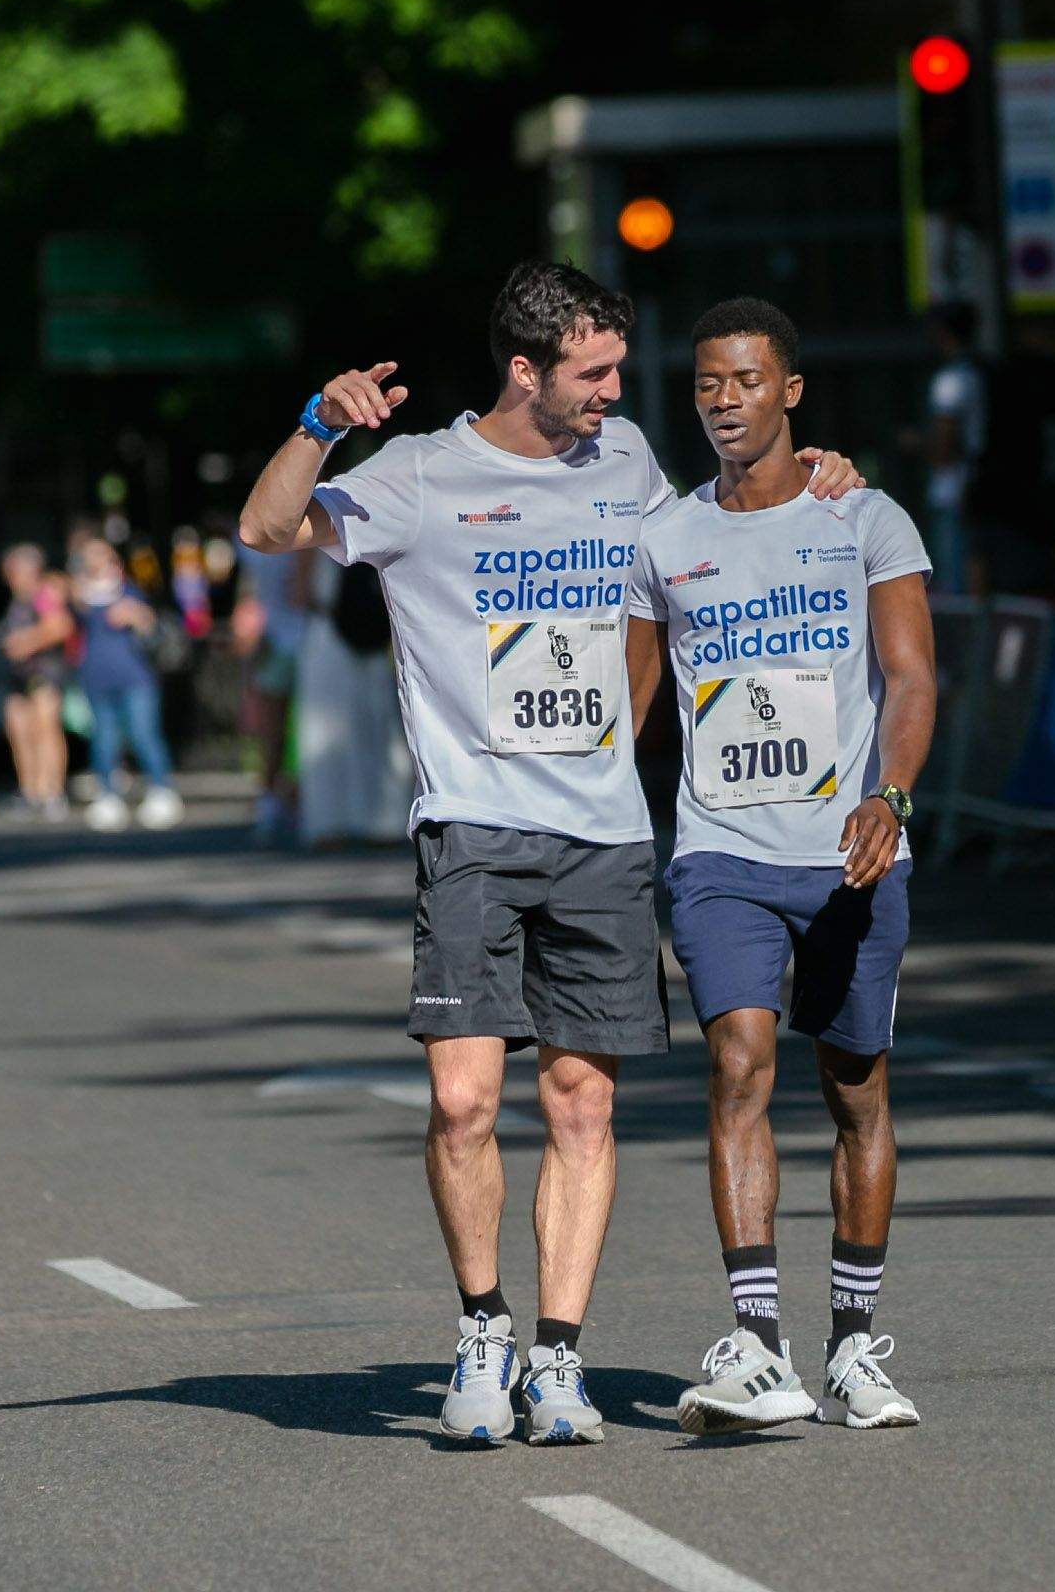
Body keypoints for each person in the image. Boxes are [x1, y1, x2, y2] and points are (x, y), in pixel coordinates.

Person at [236, 260, 863, 1447]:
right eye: (595, 370)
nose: (619, 389)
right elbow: (267, 527)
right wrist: (320, 423)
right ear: (525, 370)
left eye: (619, 367)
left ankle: (559, 1359)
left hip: (606, 832)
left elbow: (717, 535)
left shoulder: (624, 458)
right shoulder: (419, 474)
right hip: (472, 826)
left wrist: (821, 478)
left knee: (581, 1102)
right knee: (464, 1101)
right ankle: (483, 1328)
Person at [625, 297, 936, 1436]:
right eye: (708, 382)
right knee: (740, 1061)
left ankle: (855, 1343)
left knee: (855, 1086)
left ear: (789, 391)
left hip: (851, 850)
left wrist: (888, 796)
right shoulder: (665, 537)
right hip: (722, 852)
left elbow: (910, 679)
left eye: (747, 380)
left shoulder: (865, 517)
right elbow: (631, 704)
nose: (723, 400)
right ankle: (759, 1343)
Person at [296, 550, 415, 846]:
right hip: (373, 631)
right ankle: (384, 819)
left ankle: (332, 822)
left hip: (329, 629)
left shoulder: (313, 527)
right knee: (378, 727)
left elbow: (298, 591)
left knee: (326, 732)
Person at [71, 536, 184, 830]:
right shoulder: (79, 598)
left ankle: (161, 788)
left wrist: (139, 617)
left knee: (143, 734)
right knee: (104, 739)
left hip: (135, 678)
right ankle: (108, 793)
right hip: (96, 680)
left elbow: (152, 632)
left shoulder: (130, 592)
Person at [232, 539, 306, 844]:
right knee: (274, 729)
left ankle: (279, 799)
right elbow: (249, 594)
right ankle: (274, 799)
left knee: (281, 730)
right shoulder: (253, 541)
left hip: (294, 638)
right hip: (282, 638)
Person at [0, 545, 72, 821]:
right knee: (19, 731)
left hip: (44, 674)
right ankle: (30, 791)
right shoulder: (17, 599)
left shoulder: (44, 594)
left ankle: (52, 792)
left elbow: (61, 625)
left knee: (45, 729)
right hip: (19, 677)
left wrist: (27, 642)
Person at [922, 301, 985, 594]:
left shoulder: (951, 380)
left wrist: (922, 445)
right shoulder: (979, 374)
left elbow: (943, 443)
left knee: (953, 574)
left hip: (953, 490)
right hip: (973, 485)